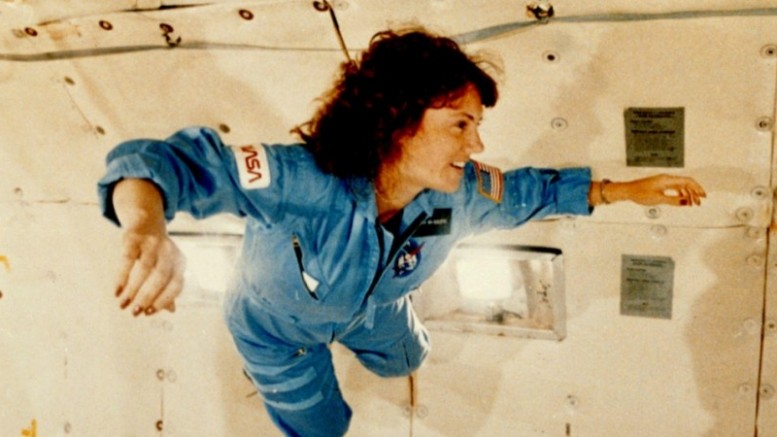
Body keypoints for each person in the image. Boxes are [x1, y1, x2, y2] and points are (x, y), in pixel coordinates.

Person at [97, 28, 706, 437]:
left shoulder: (461, 194)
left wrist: (626, 191)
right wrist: (147, 226)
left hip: (376, 310)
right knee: (322, 429)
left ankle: (380, 323)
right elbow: (161, 163)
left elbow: (535, 191)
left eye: (477, 126)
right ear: (395, 122)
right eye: (459, 125)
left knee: (407, 359)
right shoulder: (301, 179)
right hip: (277, 328)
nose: (477, 145)